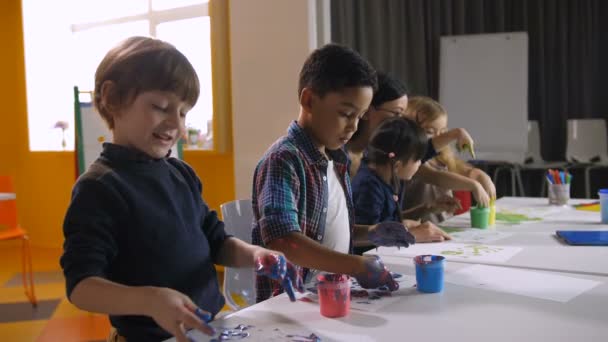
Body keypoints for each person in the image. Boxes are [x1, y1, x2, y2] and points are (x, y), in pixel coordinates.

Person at [60, 37, 300, 342]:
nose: (177, 125)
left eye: (184, 112)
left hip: (207, 330)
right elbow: (81, 286)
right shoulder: (99, 187)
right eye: (161, 107)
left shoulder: (181, 173)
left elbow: (217, 242)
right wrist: (150, 300)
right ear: (112, 98)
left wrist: (256, 255)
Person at [252, 44, 407, 303]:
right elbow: (284, 240)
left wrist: (370, 232)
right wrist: (356, 265)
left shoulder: (336, 158)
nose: (353, 126)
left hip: (332, 294)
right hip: (291, 303)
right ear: (309, 100)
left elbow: (324, 233)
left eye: (359, 116)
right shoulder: (284, 159)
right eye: (346, 114)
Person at [352, 116, 452, 243]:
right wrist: (407, 233)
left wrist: (425, 209)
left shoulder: (392, 177)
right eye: (417, 160)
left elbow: (387, 221)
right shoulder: (368, 187)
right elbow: (365, 239)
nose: (420, 163)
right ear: (397, 165)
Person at [402, 96, 496, 223]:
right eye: (430, 131)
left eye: (443, 131)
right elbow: (436, 177)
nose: (441, 137)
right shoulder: (409, 159)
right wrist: (474, 185)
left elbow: (463, 170)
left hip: (443, 225)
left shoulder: (443, 155)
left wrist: (480, 175)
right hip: (419, 229)